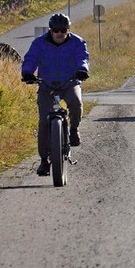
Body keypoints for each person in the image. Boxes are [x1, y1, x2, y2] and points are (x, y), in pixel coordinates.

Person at [21, 13, 90, 176]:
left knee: (75, 102)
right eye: (56, 30)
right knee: (44, 122)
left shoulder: (77, 42)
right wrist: (27, 73)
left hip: (70, 82)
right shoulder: (39, 43)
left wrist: (82, 70)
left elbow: (83, 58)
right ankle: (44, 161)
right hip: (46, 85)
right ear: (50, 30)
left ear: (68, 30)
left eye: (63, 30)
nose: (59, 33)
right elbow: (30, 59)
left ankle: (74, 129)